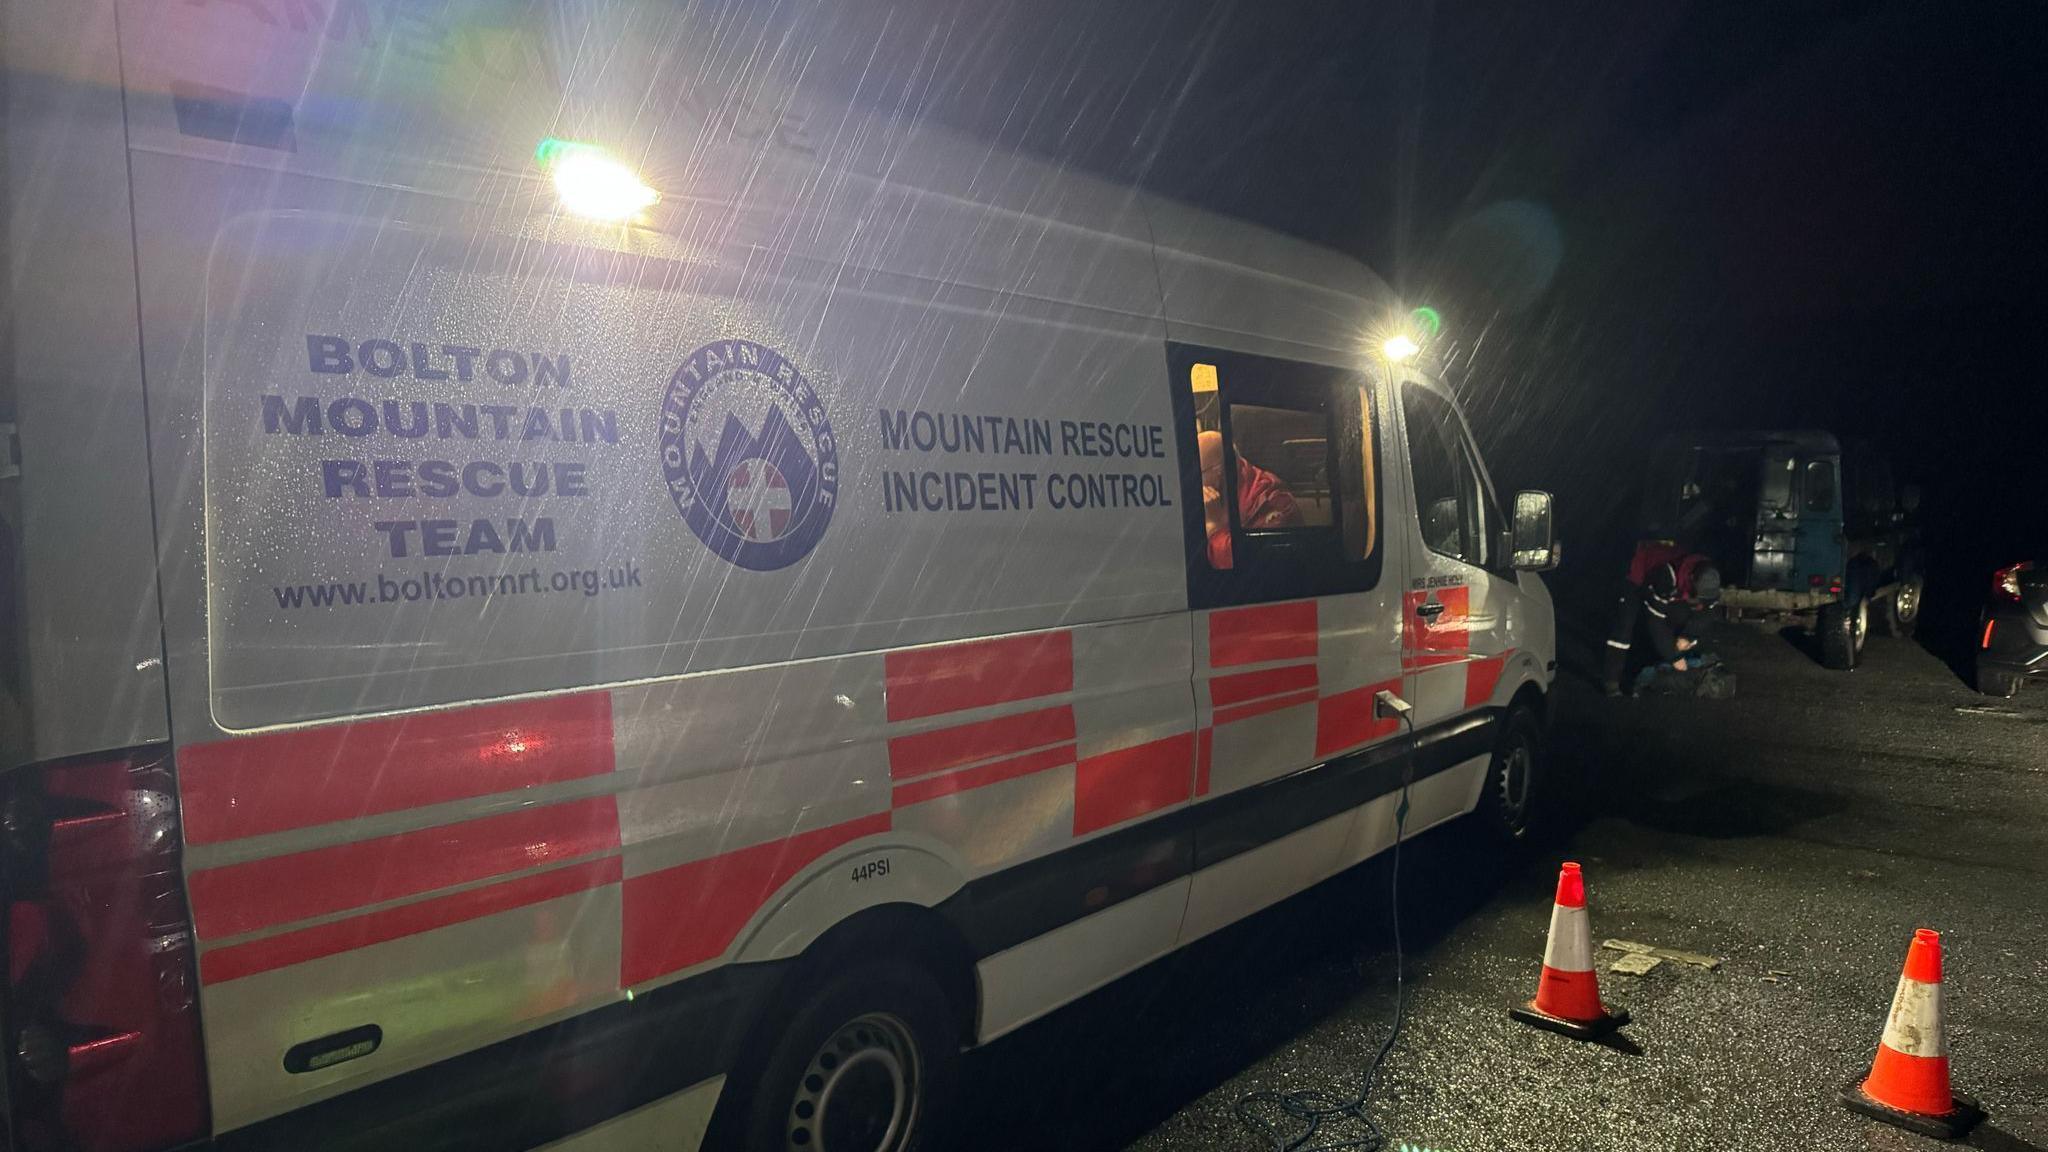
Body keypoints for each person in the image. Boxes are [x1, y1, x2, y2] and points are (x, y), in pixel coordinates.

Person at [1602, 542, 1722, 696]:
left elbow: (1706, 613)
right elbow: (1655, 622)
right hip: (1638, 574)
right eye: (1698, 599)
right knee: (1625, 624)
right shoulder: (1667, 576)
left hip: (1673, 587)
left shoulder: (1710, 578)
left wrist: (1689, 636)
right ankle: (1612, 683)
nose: (1700, 604)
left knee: (1679, 617)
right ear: (1692, 580)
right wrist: (1674, 657)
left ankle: (1651, 659)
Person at [1199, 429, 1302, 569]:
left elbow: (1249, 564)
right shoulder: (1221, 492)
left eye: (1199, 473)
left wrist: (1215, 527)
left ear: (1218, 472)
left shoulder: (1271, 499)